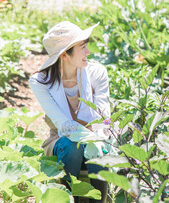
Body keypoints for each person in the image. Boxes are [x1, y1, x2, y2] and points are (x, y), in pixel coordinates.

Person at [29, 21, 110, 203]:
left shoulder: (97, 73)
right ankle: (66, 197)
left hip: (96, 136)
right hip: (60, 140)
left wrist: (98, 137)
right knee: (70, 146)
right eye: (82, 47)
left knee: (101, 150)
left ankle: (100, 201)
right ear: (65, 54)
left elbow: (104, 119)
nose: (88, 52)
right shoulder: (40, 81)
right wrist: (88, 135)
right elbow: (62, 124)